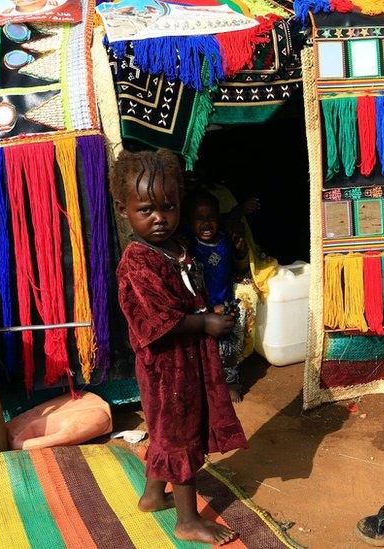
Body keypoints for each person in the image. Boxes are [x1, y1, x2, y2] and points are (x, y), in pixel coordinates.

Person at [113, 149, 248, 545]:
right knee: (180, 434)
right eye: (147, 210)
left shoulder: (175, 247)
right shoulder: (136, 262)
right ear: (124, 210)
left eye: (168, 207)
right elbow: (156, 321)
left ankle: (154, 495)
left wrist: (210, 308)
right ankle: (188, 520)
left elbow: (189, 291)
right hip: (166, 367)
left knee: (165, 430)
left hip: (186, 360)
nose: (160, 218)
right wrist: (204, 322)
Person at [183, 190, 257, 402]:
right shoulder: (190, 245)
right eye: (199, 219)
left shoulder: (225, 240)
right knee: (203, 350)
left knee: (228, 346)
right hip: (201, 308)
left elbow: (238, 264)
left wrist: (240, 250)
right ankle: (206, 386)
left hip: (225, 303)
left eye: (211, 218)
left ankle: (231, 382)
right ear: (189, 222)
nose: (206, 224)